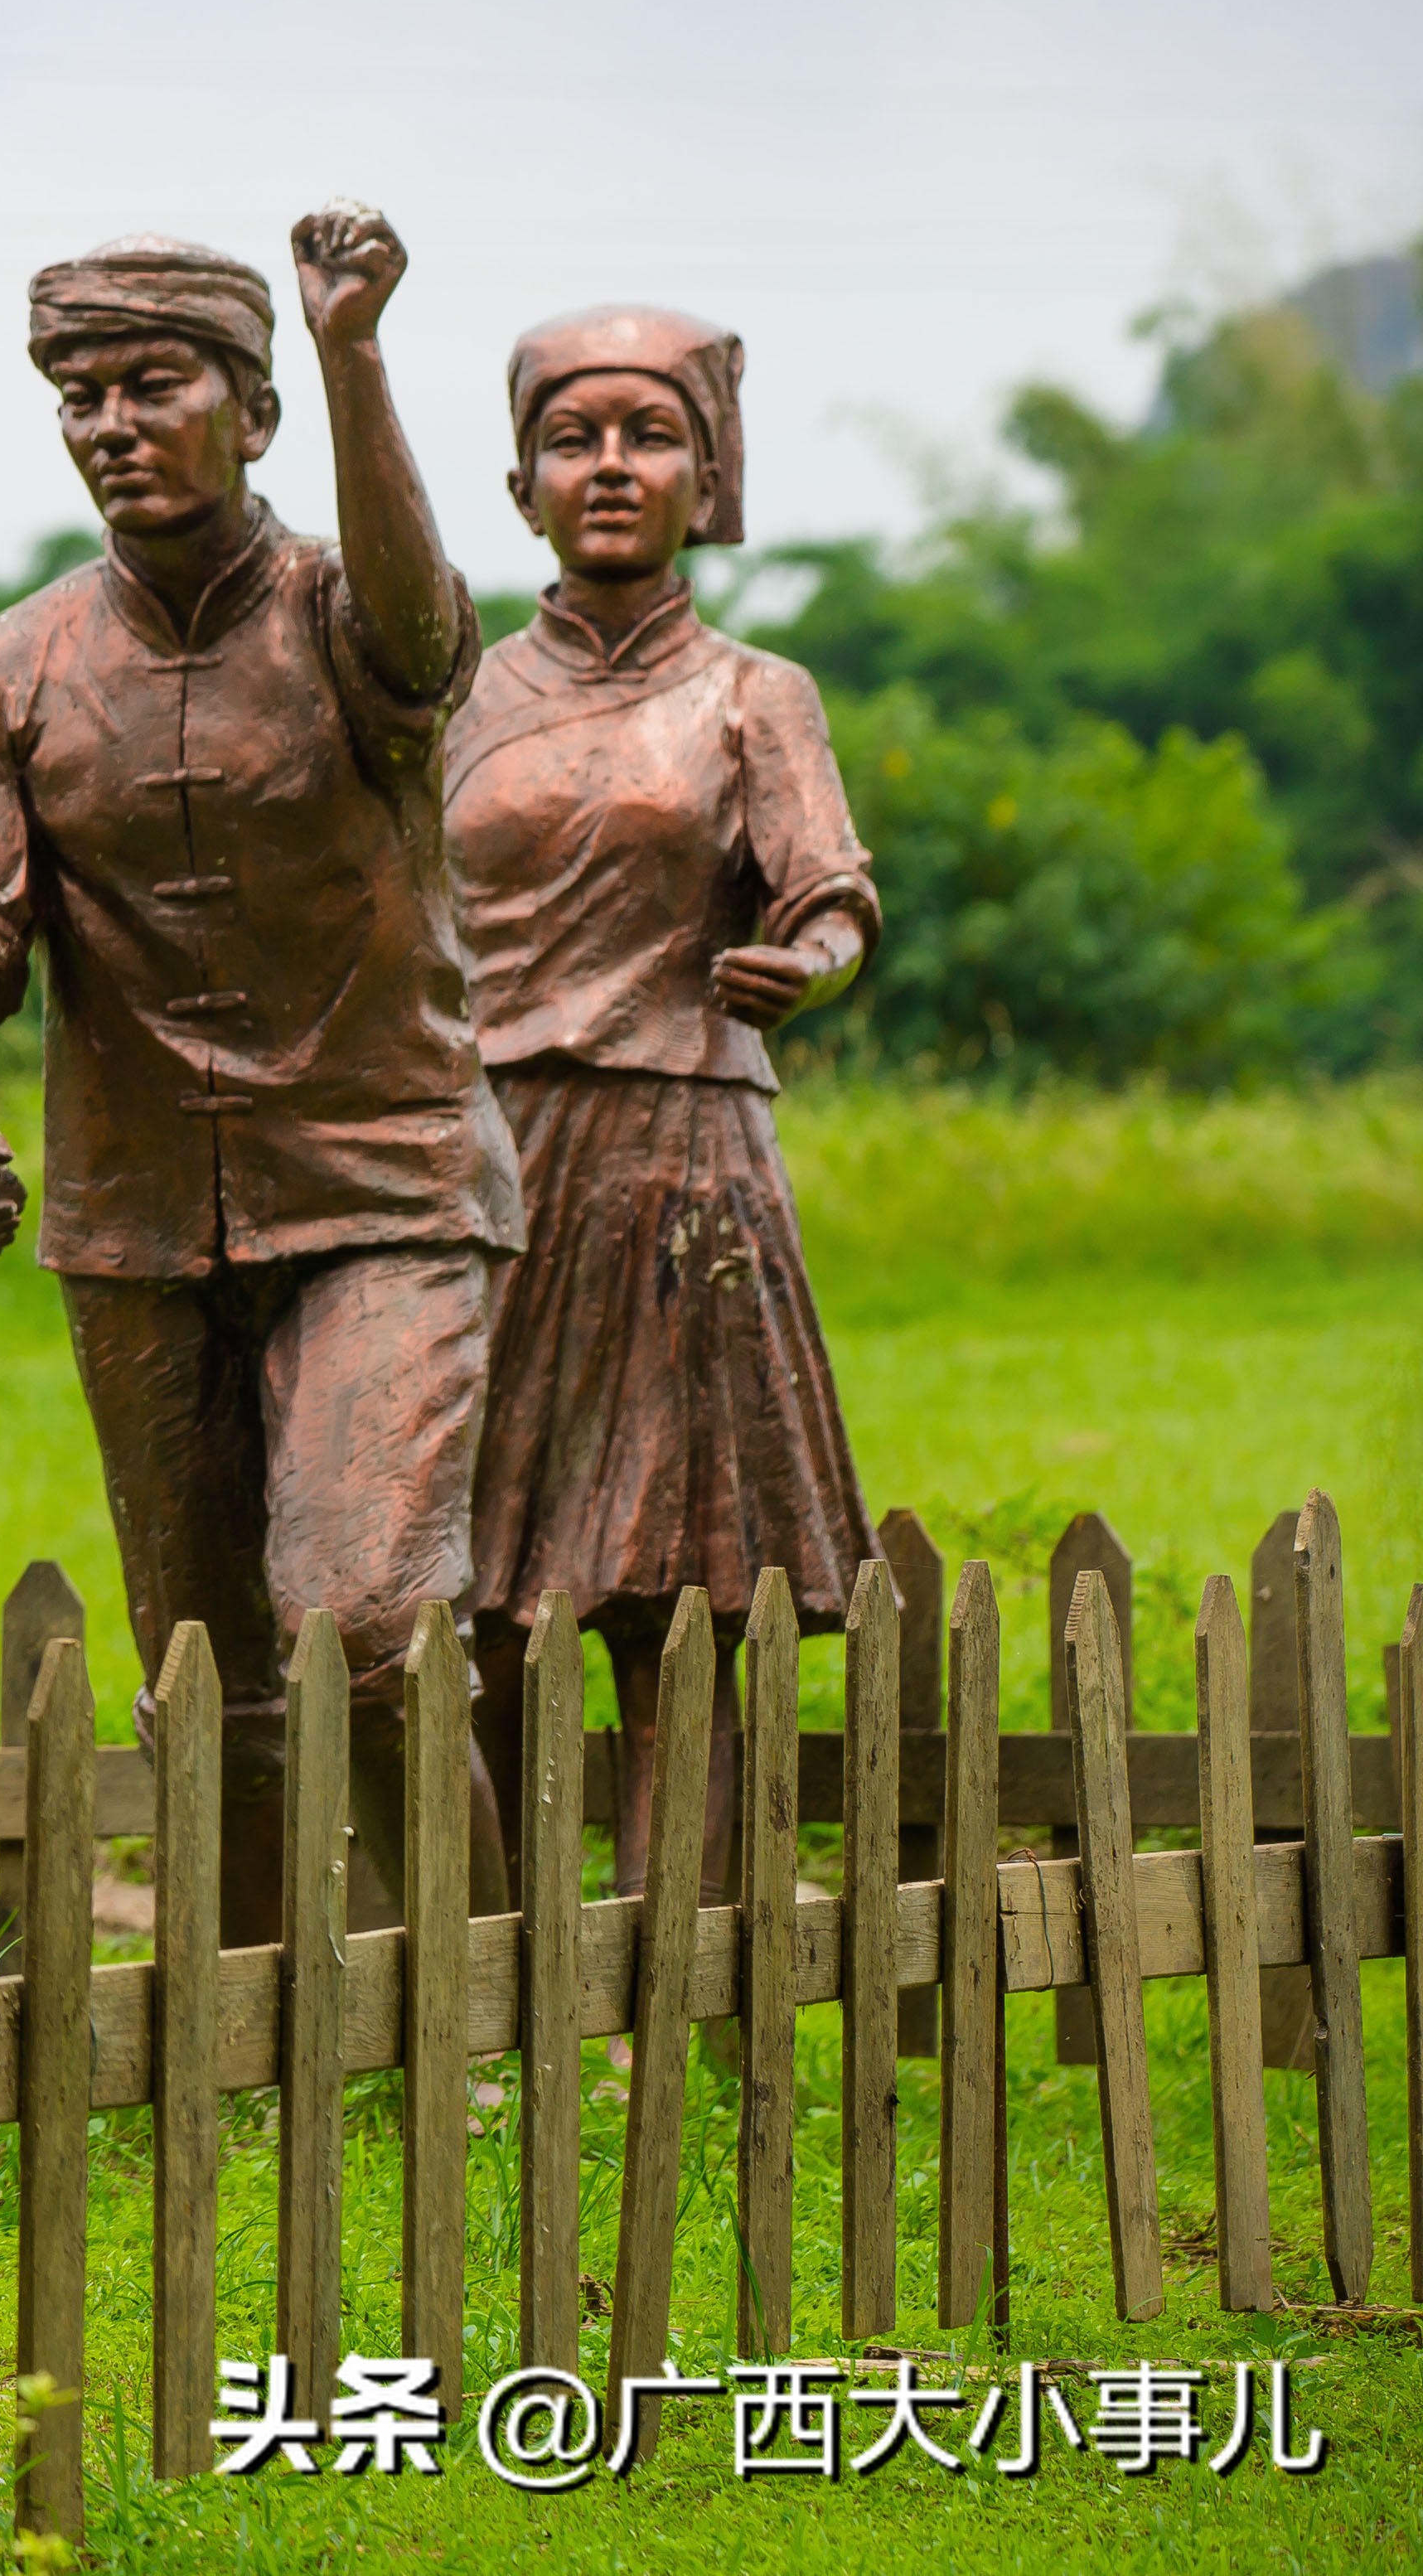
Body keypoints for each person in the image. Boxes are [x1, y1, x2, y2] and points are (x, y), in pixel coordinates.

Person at [0, 211, 520, 1948]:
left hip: (384, 1186)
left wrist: (355, 354)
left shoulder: (340, 615)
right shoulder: (6, 673)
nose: (110, 423)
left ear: (247, 413)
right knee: (206, 1667)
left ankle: (475, 1985)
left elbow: (423, 636)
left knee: (370, 1616)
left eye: (152, 384)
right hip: (139, 1215)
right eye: (78, 395)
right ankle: (237, 2026)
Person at [447, 304, 878, 1896]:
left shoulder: (758, 695)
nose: (612, 468)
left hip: (691, 1152)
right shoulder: (460, 698)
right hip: (489, 1158)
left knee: (687, 1563)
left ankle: (682, 1943)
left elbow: (830, 890)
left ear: (709, 474)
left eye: (649, 436)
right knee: (471, 1563)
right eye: (576, 439)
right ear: (522, 485)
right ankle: (487, 1947)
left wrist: (808, 962)